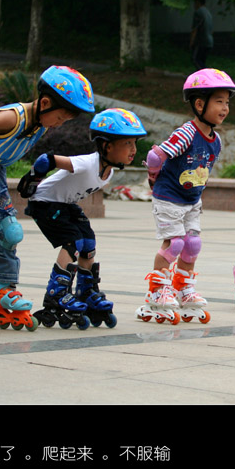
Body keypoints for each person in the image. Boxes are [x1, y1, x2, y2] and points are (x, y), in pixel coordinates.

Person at [0, 65, 96, 333]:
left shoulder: (40, 123)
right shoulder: (13, 118)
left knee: (12, 232)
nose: (59, 124)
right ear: (45, 103)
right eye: (60, 118)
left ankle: (1, 289)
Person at [24, 108, 147, 330]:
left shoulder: (108, 172)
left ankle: (85, 291)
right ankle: (56, 293)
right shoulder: (88, 163)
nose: (133, 150)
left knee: (88, 241)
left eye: (134, 143)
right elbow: (48, 159)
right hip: (44, 202)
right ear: (107, 146)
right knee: (72, 241)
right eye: (128, 143)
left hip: (64, 204)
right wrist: (32, 180)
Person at [137, 68, 235, 325]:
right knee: (175, 244)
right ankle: (158, 290)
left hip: (192, 200)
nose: (225, 107)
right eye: (219, 101)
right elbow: (154, 156)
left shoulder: (216, 140)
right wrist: (153, 177)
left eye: (227, 102)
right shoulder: (186, 133)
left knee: (193, 245)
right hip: (169, 197)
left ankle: (183, 288)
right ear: (200, 103)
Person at [189, 0, 213, 69]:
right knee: (201, 60)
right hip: (209, 41)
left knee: (195, 59)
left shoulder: (198, 12)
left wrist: (191, 42)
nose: (194, 5)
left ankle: (207, 76)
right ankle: (203, 76)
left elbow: (195, 29)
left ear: (198, 3)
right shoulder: (208, 12)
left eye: (195, 3)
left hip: (201, 41)